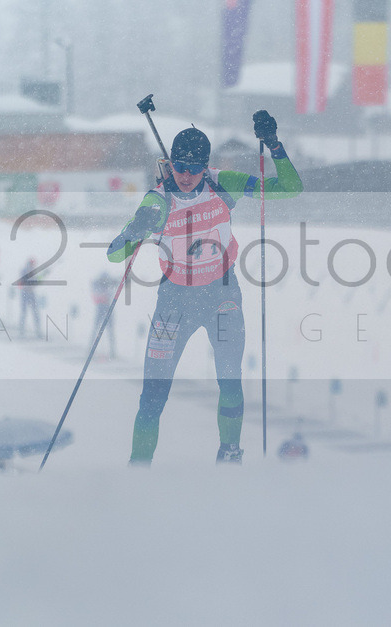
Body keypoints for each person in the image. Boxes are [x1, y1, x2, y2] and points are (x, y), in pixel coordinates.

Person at [108, 111, 302, 464]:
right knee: (152, 395)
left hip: (221, 294)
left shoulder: (220, 182)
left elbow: (290, 188)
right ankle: (139, 466)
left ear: (205, 166)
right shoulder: (158, 198)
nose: (185, 175)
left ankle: (229, 452)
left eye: (194, 168)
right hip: (175, 300)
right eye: (179, 166)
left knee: (229, 380)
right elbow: (114, 255)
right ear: (170, 163)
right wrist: (135, 229)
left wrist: (274, 145)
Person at [90, 271, 119, 359]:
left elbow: (115, 284)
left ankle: (112, 352)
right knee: (98, 329)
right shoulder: (98, 284)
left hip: (106, 308)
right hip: (103, 308)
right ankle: (91, 350)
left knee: (108, 331)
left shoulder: (107, 284)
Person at [16, 257, 42, 338]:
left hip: (29, 293)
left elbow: (36, 281)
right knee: (28, 312)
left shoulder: (31, 272)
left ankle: (36, 330)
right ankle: (23, 330)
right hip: (26, 293)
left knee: (32, 312)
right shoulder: (26, 271)